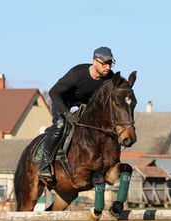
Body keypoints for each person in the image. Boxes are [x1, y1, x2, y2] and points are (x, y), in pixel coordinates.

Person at [38, 46, 116, 182]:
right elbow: (53, 93)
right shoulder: (77, 74)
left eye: (110, 64)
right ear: (94, 62)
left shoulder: (109, 78)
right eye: (104, 64)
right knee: (61, 125)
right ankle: (45, 165)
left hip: (84, 105)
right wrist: (67, 114)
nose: (107, 67)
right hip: (62, 102)